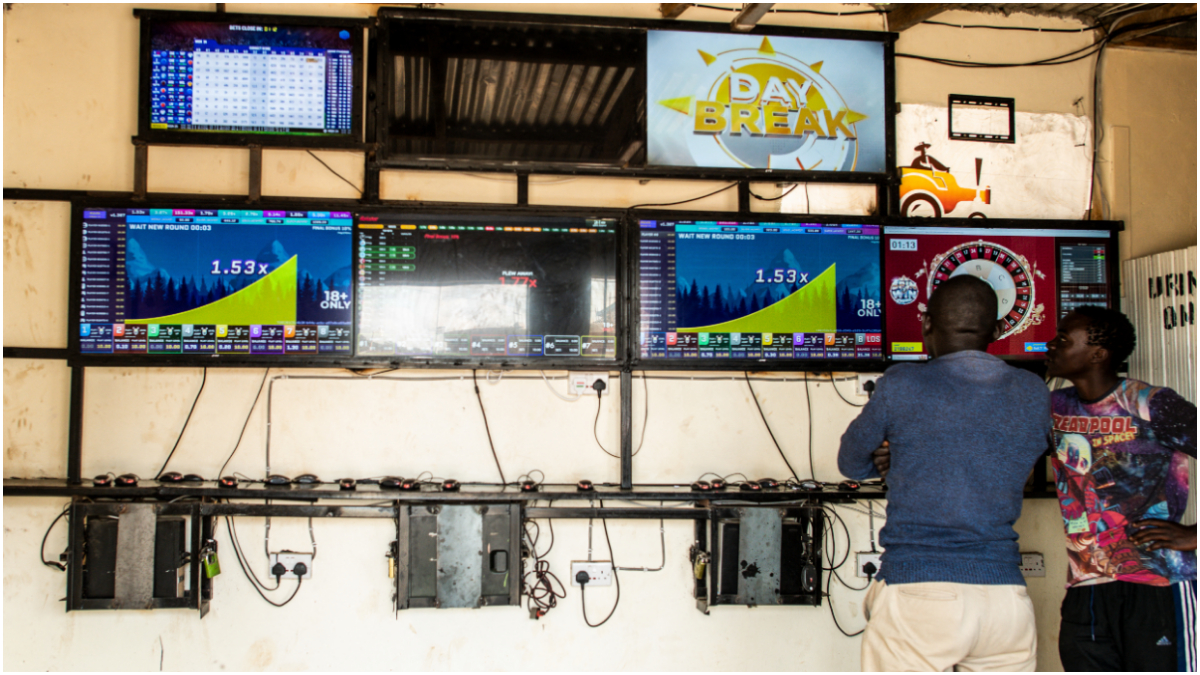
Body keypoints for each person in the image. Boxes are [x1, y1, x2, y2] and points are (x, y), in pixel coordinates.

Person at [839, 275, 1050, 671]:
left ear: (926, 325)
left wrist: (893, 464)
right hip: (1005, 598)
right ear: (1000, 329)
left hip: (921, 588)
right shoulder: (1032, 391)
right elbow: (1015, 461)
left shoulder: (901, 382)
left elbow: (851, 461)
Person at [1044, 306, 1196, 672]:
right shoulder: (1050, 407)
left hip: (1158, 583)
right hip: (1086, 585)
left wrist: (1195, 535)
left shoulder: (1151, 404)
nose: (1051, 344)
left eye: (1064, 339)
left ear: (1098, 354)